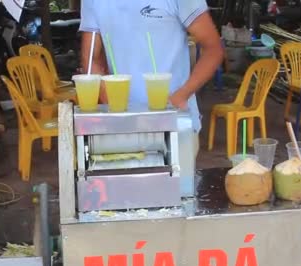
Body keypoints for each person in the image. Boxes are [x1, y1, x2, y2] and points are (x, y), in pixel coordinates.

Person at [80, 0, 224, 152]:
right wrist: (117, 113)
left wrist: (181, 95)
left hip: (174, 123)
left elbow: (213, 49)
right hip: (123, 129)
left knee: (177, 175)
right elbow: (90, 61)